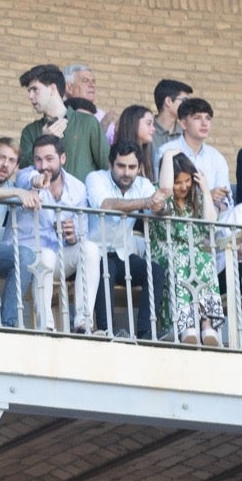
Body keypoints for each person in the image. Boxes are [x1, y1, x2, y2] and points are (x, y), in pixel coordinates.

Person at [14, 134, 100, 333]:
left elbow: (83, 231)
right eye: (38, 159)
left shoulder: (78, 188)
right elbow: (28, 180)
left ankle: (83, 323)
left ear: (62, 158)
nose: (43, 165)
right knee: (46, 255)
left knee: (90, 249)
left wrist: (73, 236)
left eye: (49, 159)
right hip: (29, 258)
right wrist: (36, 181)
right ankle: (46, 327)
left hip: (59, 258)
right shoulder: (25, 176)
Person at [86, 141, 165, 339]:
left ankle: (146, 333)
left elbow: (161, 208)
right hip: (95, 252)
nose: (126, 173)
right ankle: (107, 331)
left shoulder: (142, 183)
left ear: (139, 168)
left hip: (122, 252)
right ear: (111, 164)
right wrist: (147, 202)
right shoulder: (96, 178)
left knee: (154, 271)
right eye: (121, 166)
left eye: (132, 167)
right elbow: (106, 204)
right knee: (107, 269)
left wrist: (161, 206)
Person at [148, 153, 224, 345]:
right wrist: (167, 155)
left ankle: (207, 325)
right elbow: (165, 191)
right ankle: (186, 325)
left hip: (195, 254)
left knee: (205, 259)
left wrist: (206, 191)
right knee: (183, 258)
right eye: (178, 182)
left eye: (187, 181)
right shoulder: (160, 194)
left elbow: (210, 222)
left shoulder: (195, 199)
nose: (183, 186)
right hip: (165, 252)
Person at [0, 137, 40, 328]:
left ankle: (8, 325)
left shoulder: (12, 188)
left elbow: (31, 190)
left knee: (27, 256)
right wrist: (19, 193)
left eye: (11, 161)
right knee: (24, 255)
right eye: (1, 157)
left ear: (16, 167)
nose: (5, 165)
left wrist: (35, 186)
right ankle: (10, 324)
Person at [17, 64, 107, 182]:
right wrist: (43, 140)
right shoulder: (30, 131)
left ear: (53, 88)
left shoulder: (88, 123)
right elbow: (23, 171)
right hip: (43, 198)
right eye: (29, 91)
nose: (30, 96)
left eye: (35, 89)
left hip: (82, 199)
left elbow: (107, 167)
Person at [155, 97, 230, 212]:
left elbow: (226, 201)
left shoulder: (217, 158)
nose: (204, 123)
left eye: (208, 118)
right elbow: (161, 195)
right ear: (183, 123)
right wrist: (207, 197)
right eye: (197, 118)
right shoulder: (166, 151)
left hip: (211, 224)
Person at [110, 105, 156, 182]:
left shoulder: (146, 156)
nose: (153, 129)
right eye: (148, 123)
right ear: (134, 123)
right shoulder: (118, 155)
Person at [150, 78, 193, 158]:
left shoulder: (186, 133)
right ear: (168, 101)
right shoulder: (146, 130)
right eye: (184, 101)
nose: (188, 106)